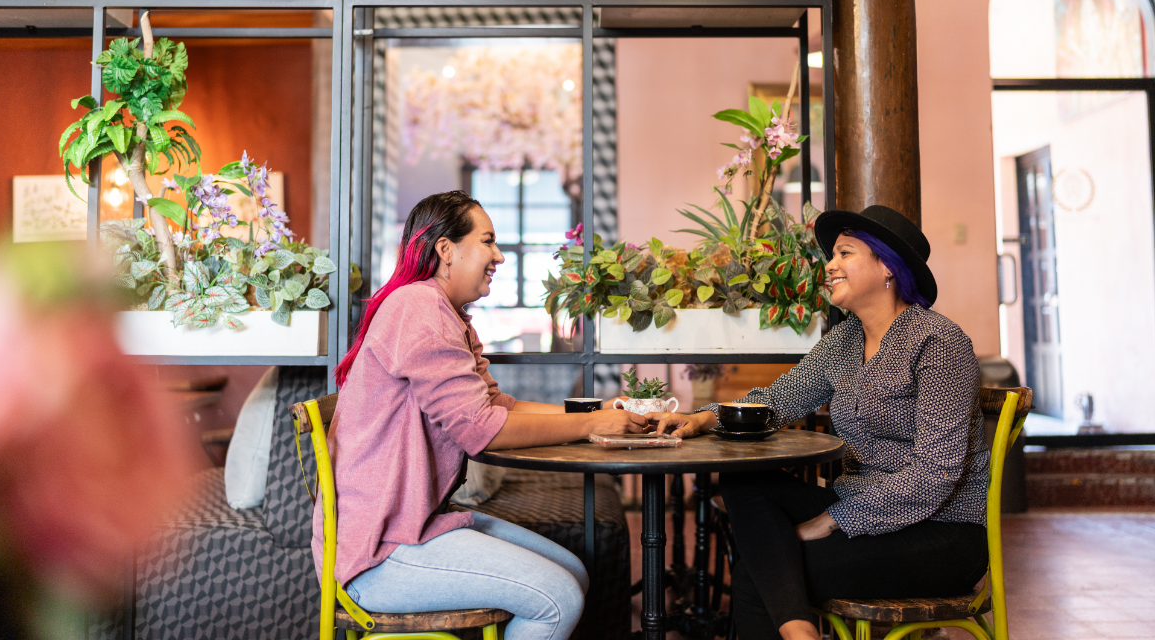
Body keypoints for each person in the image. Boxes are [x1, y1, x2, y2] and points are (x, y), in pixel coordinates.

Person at [316, 190, 647, 640]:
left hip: (413, 524)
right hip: (379, 549)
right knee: (559, 598)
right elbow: (481, 431)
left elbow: (493, 406)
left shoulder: (444, 311)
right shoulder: (419, 308)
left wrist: (594, 412)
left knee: (573, 571)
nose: (499, 256)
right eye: (488, 242)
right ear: (445, 249)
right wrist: (591, 426)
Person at [653, 205, 989, 640]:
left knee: (760, 572)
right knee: (743, 482)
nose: (829, 266)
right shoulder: (845, 340)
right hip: (861, 506)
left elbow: (936, 474)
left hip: (942, 533)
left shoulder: (938, 343)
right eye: (832, 256)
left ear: (887, 266)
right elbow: (777, 401)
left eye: (844, 253)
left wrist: (833, 519)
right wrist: (702, 417)